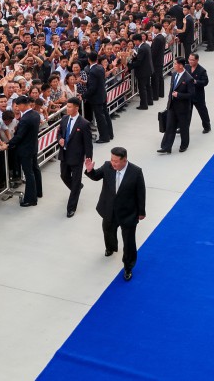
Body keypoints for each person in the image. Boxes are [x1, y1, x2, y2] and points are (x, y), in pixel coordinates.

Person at [83, 147, 145, 282]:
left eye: (116, 161)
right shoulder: (107, 166)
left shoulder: (136, 172)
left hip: (128, 213)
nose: (113, 163)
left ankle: (128, 267)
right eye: (112, 160)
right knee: (108, 231)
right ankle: (110, 248)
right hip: (109, 209)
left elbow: (141, 193)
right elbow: (96, 176)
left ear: (124, 160)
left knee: (129, 242)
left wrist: (141, 212)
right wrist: (89, 170)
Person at [57, 97, 93, 218]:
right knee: (64, 175)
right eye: (67, 106)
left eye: (70, 107)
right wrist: (60, 140)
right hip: (64, 154)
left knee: (76, 181)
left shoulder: (84, 123)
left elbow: (88, 143)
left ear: (76, 108)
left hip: (77, 157)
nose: (67, 108)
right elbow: (60, 133)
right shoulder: (64, 119)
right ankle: (77, 188)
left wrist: (88, 158)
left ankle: (71, 208)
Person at [7, 95, 42, 207]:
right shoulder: (36, 114)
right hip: (33, 147)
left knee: (29, 173)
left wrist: (8, 144)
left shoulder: (26, 119)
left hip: (25, 149)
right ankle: (38, 192)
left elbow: (19, 136)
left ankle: (31, 199)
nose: (17, 108)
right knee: (35, 169)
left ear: (23, 104)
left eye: (18, 105)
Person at [157, 57, 194, 154]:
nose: (173, 66)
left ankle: (184, 145)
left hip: (183, 108)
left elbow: (191, 94)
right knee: (170, 127)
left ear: (181, 66)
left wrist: (179, 95)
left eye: (175, 64)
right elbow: (171, 90)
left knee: (184, 127)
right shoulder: (174, 75)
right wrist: (169, 103)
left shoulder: (188, 79)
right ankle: (166, 147)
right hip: (172, 106)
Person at [83, 53, 112, 144]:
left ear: (88, 60)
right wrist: (86, 82)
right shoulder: (100, 68)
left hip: (96, 98)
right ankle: (110, 134)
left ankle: (104, 137)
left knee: (100, 118)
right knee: (105, 115)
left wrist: (84, 96)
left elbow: (92, 88)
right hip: (102, 95)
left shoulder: (92, 71)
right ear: (97, 59)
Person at [186, 53, 211, 134]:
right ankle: (184, 127)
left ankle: (207, 126)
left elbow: (205, 82)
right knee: (186, 113)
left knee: (202, 111)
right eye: (189, 59)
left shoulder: (201, 70)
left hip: (198, 95)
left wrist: (196, 82)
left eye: (192, 60)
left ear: (197, 60)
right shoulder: (186, 67)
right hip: (188, 95)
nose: (190, 61)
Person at [129, 34, 154, 110]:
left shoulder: (142, 48)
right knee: (147, 86)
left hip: (143, 71)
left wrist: (129, 65)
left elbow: (139, 62)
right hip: (148, 70)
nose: (134, 43)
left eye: (134, 41)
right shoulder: (146, 45)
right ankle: (150, 101)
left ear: (137, 41)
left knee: (142, 88)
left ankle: (144, 105)